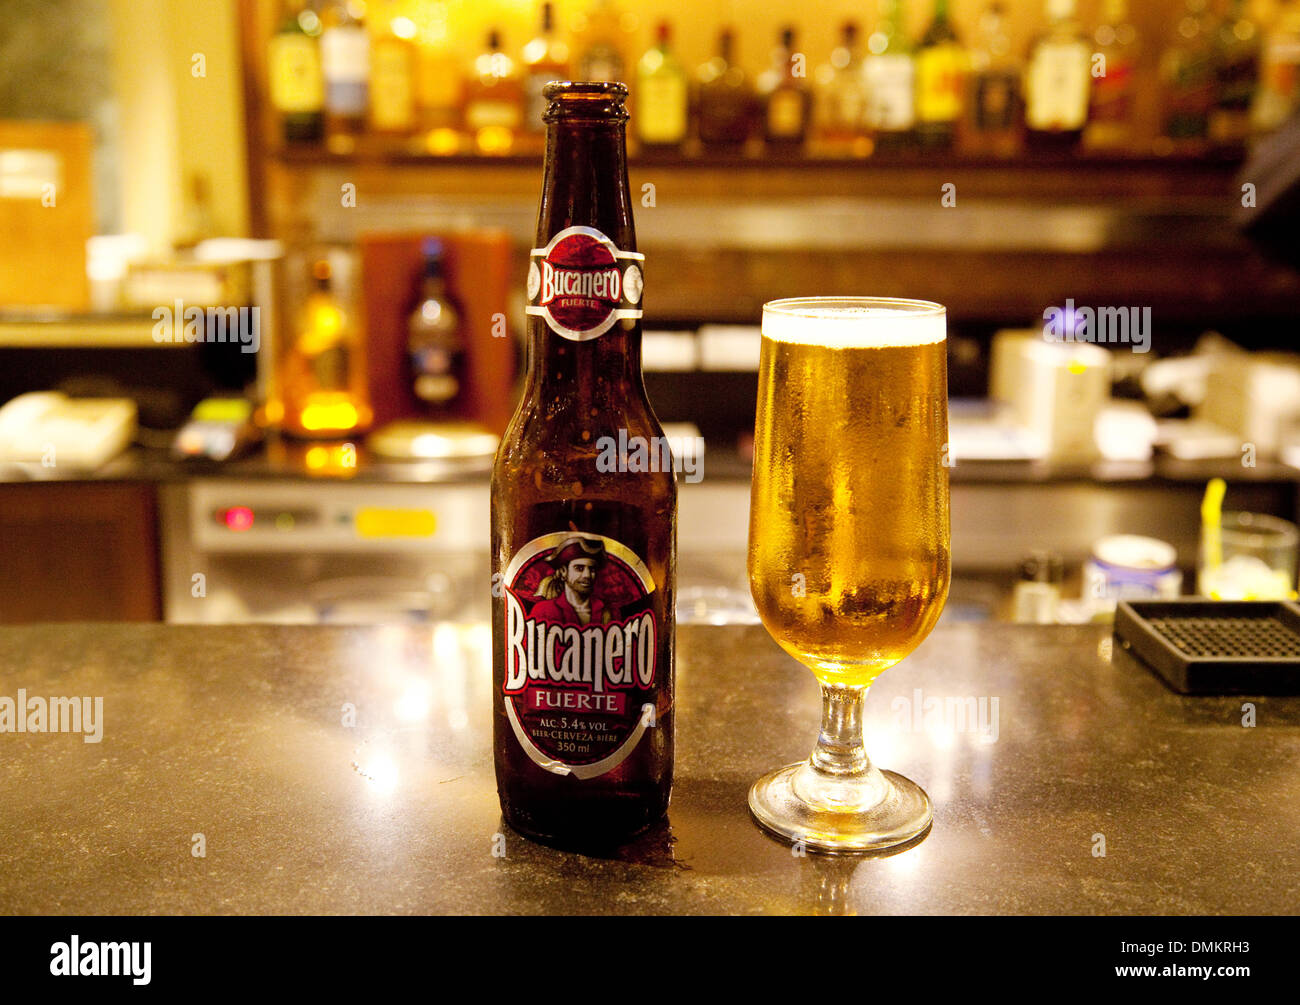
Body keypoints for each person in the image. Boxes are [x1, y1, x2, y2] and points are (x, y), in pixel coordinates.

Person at [529, 535, 613, 626]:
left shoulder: (610, 612)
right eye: (579, 568)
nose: (587, 575)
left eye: (592, 569)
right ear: (563, 572)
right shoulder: (543, 611)